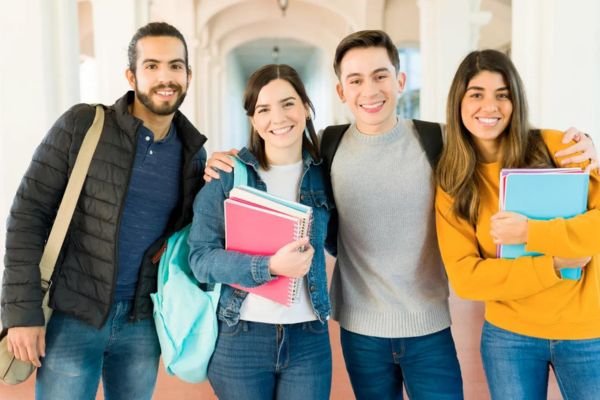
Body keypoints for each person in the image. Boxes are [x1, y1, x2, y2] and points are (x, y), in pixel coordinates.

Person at [203, 30, 597, 399]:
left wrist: (582, 147)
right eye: (355, 80)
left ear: (400, 81)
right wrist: (230, 159)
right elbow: (279, 152)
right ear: (341, 90)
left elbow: (493, 134)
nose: (370, 90)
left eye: (380, 76)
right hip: (361, 331)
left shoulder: (439, 140)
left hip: (430, 328)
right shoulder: (329, 146)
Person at [1, 22, 207, 399]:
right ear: (131, 75)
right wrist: (21, 313)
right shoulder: (82, 125)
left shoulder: (193, 153)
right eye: (152, 66)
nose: (166, 77)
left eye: (176, 66)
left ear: (188, 75)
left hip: (142, 324)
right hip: (72, 316)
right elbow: (27, 217)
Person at [435, 49, 600, 399]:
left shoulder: (559, 146)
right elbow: (466, 277)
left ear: (516, 101)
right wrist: (553, 264)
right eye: (476, 94)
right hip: (510, 337)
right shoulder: (453, 180)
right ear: (458, 102)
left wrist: (532, 232)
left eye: (502, 95)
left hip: (587, 332)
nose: (489, 107)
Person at [188, 64, 332, 400]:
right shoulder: (227, 175)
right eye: (263, 109)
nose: (278, 117)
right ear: (253, 119)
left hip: (309, 338)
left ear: (306, 108)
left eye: (288, 103)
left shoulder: (325, 175)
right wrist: (268, 267)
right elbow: (200, 258)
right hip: (240, 338)